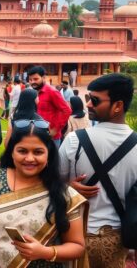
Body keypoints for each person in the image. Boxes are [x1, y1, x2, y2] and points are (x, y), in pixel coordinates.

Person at [0, 119, 88, 267]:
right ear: (12, 153)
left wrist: (45, 252)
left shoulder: (63, 194)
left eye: (38, 152)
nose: (29, 158)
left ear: (49, 154)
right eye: (22, 151)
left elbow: (77, 246)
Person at [59, 73, 137, 268]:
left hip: (75, 235)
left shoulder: (74, 141)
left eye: (94, 100)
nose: (88, 104)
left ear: (118, 106)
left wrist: (67, 187)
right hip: (117, 238)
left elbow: (49, 185)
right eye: (88, 98)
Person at [27, 66, 71, 147]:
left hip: (51, 138)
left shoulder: (52, 92)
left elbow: (67, 110)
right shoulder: (34, 92)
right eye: (30, 80)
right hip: (37, 134)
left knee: (50, 159)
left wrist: (55, 129)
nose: (32, 82)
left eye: (35, 79)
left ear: (43, 78)